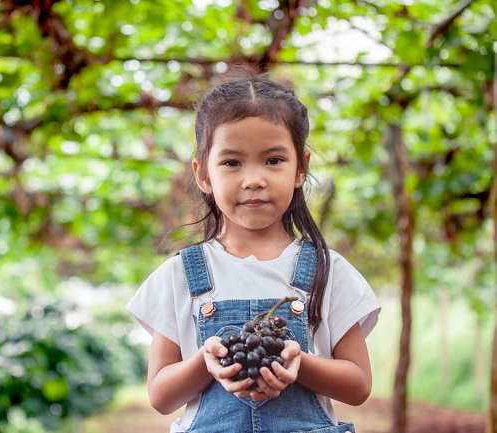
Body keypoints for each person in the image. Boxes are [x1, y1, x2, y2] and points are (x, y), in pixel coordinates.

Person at [126, 71, 381, 433]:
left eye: (273, 160)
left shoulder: (328, 270)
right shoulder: (180, 275)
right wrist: (205, 362)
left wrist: (301, 365)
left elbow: (358, 385)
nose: (254, 179)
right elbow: (160, 395)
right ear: (203, 175)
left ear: (301, 168)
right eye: (232, 162)